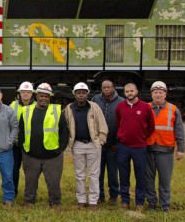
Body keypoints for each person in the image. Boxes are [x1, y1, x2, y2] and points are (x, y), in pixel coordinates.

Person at [18, 83, 69, 207]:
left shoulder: (56, 111)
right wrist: (23, 148)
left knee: (54, 182)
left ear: (50, 97)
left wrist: (60, 149)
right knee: (30, 181)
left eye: (46, 96)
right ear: (36, 96)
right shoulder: (26, 111)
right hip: (31, 155)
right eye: (41, 96)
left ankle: (55, 202)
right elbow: (21, 131)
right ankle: (29, 201)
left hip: (52, 156)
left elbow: (64, 132)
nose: (44, 99)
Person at [64, 82, 108, 210]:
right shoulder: (69, 108)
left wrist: (101, 140)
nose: (81, 95)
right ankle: (81, 200)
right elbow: (66, 126)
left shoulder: (94, 107)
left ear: (87, 94)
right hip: (77, 145)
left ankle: (93, 201)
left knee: (94, 174)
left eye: (83, 92)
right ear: (75, 94)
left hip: (93, 145)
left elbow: (103, 126)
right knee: (79, 174)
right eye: (78, 93)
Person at [146, 81, 185, 212]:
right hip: (148, 150)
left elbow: (179, 130)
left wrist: (181, 149)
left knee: (165, 181)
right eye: (155, 92)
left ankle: (165, 206)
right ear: (151, 94)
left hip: (165, 151)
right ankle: (151, 203)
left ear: (165, 94)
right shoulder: (145, 108)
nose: (158, 95)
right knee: (148, 180)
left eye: (160, 92)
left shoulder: (173, 109)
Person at [115, 82, 156, 210]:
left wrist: (142, 137)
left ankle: (139, 202)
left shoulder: (145, 107)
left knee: (140, 175)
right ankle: (125, 200)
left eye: (132, 91)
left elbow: (151, 127)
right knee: (123, 175)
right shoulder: (120, 107)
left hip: (140, 147)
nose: (129, 93)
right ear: (124, 93)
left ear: (136, 91)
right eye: (127, 91)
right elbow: (118, 124)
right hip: (123, 147)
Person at [92, 79, 123, 204]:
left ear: (113, 87)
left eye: (108, 87)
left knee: (113, 173)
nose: (106, 89)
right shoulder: (95, 100)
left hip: (113, 145)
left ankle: (114, 196)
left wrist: (119, 143)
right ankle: (99, 196)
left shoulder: (121, 102)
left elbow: (123, 124)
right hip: (98, 144)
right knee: (97, 173)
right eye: (104, 87)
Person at [9, 81, 36, 199]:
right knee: (14, 169)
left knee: (30, 171)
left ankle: (30, 193)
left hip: (30, 144)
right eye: (23, 92)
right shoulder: (12, 106)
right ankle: (13, 192)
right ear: (19, 93)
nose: (25, 94)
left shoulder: (37, 106)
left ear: (32, 94)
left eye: (28, 92)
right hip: (15, 144)